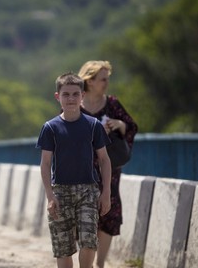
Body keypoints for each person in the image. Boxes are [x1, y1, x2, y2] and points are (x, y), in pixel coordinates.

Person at [36, 72, 112, 268]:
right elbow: (45, 163)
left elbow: (104, 159)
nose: (71, 99)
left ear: (82, 96)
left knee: (88, 240)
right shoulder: (50, 128)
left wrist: (106, 193)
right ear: (57, 97)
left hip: (88, 190)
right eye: (66, 94)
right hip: (60, 192)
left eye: (75, 94)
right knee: (63, 247)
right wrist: (50, 195)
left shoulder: (93, 125)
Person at [78, 60, 138, 268]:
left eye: (107, 79)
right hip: (83, 171)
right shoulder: (76, 104)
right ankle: (88, 262)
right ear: (90, 81)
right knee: (86, 216)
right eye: (103, 79)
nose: (106, 83)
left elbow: (131, 127)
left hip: (109, 170)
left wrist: (119, 124)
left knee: (109, 214)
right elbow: (63, 130)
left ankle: (100, 264)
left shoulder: (112, 104)